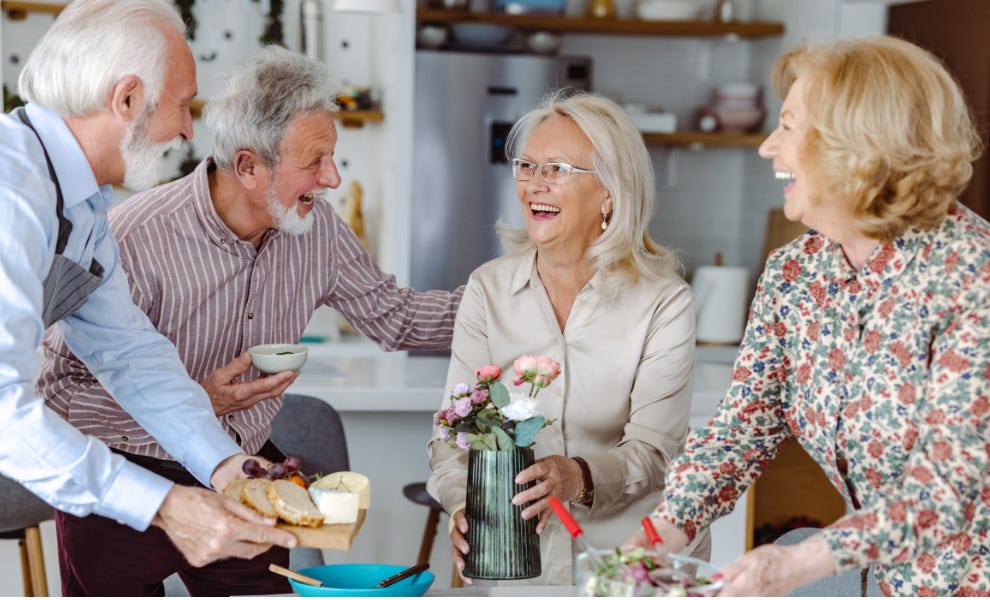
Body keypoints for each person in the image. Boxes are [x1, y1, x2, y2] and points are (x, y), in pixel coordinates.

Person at [37, 45, 463, 595]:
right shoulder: (133, 238)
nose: (332, 178)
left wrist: (515, 299)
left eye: (331, 157)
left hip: (244, 478)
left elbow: (396, 318)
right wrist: (197, 402)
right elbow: (57, 392)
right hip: (123, 485)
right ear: (247, 166)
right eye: (314, 161)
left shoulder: (318, 232)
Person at [625, 36, 988, 596]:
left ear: (857, 146)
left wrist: (799, 563)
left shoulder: (972, 275)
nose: (769, 147)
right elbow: (744, 425)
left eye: (789, 126)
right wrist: (669, 524)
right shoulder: (795, 271)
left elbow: (942, 490)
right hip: (879, 581)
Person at [0, 0, 298, 581]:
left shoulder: (82, 204)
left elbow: (131, 355)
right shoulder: (13, 197)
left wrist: (223, 465)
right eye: (182, 105)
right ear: (128, 99)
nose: (189, 130)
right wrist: (160, 505)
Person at [427, 91, 709, 586]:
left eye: (556, 169)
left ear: (610, 192)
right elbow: (452, 438)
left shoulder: (663, 301)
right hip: (518, 569)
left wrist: (577, 474)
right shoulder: (488, 289)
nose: (533, 184)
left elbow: (656, 453)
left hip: (627, 568)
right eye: (527, 166)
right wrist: (459, 507)